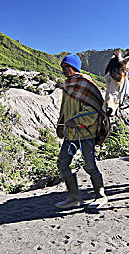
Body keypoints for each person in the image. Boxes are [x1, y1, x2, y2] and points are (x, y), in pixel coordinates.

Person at [55, 54, 108, 209]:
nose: (64, 70)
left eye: (67, 67)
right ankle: (74, 197)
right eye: (63, 67)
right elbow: (64, 109)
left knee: (90, 165)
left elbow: (93, 110)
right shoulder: (68, 85)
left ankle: (100, 195)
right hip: (70, 134)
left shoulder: (85, 84)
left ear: (74, 68)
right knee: (62, 164)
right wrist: (61, 125)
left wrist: (76, 120)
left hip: (86, 134)